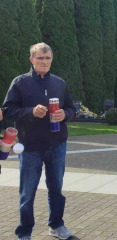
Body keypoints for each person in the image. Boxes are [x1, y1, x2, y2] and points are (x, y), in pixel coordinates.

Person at [2, 43, 75, 240]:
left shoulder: (59, 83)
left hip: (57, 145)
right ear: (31, 60)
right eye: (40, 58)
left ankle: (56, 226)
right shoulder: (20, 83)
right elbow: (8, 110)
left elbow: (71, 108)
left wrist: (64, 114)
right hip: (30, 147)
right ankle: (24, 232)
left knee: (56, 190)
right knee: (27, 193)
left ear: (52, 59)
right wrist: (30, 112)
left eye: (48, 58)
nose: (44, 61)